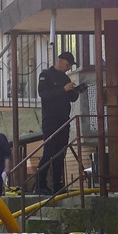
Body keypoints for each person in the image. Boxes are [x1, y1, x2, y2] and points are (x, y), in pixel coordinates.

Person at [35, 50, 84, 195]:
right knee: (49, 151)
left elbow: (71, 98)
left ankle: (57, 184)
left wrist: (77, 90)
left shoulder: (65, 78)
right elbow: (44, 94)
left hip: (64, 119)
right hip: (51, 120)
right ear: (60, 61)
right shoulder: (45, 75)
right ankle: (40, 183)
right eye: (67, 65)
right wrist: (63, 89)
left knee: (60, 152)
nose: (68, 68)